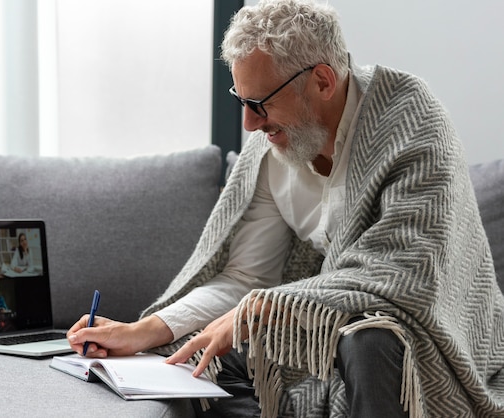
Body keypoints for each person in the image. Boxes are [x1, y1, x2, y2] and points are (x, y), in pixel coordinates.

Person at [67, 1, 504, 417]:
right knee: (205, 354)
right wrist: (146, 331)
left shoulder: (412, 118)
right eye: (242, 100)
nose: (250, 125)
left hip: (429, 330)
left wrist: (258, 308)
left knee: (370, 337)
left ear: (323, 81)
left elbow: (407, 271)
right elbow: (245, 279)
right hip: (321, 323)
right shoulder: (270, 151)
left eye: (261, 104)